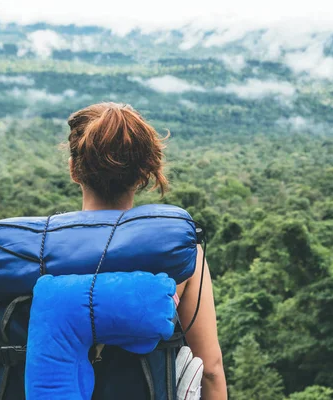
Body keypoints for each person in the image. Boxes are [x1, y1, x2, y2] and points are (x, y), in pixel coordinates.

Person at [66, 102, 228, 400]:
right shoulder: (179, 253)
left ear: (74, 169)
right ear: (144, 174)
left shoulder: (39, 251)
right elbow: (210, 368)